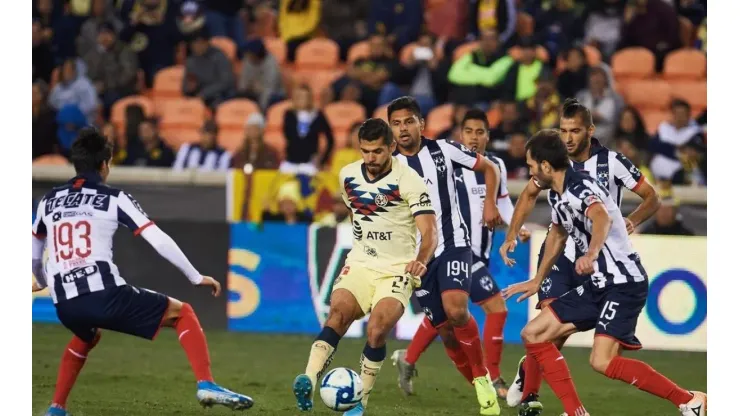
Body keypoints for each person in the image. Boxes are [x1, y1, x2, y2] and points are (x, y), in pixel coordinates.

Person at [33, 128, 253, 416]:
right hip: (103, 294)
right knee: (183, 312)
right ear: (104, 165)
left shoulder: (48, 201)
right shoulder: (114, 198)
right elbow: (158, 239)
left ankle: (56, 409)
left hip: (64, 304)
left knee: (87, 336)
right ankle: (207, 383)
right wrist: (195, 276)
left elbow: (35, 253)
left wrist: (41, 280)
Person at [500, 129, 706, 416]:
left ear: (546, 166)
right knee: (534, 333)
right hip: (600, 283)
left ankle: (689, 400)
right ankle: (576, 412)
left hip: (623, 282)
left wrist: (592, 252)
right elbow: (558, 234)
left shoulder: (579, 187)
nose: (531, 172)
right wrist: (538, 279)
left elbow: (601, 216)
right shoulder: (559, 195)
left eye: (532, 166)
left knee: (603, 361)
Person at [292, 118, 438, 416]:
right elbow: (354, 211)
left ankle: (360, 405)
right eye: (365, 151)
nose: (371, 158)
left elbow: (430, 232)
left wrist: (420, 260)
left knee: (377, 329)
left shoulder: (408, 180)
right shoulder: (347, 175)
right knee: (338, 314)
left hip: (397, 269)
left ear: (392, 148)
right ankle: (307, 378)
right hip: (360, 263)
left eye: (378, 152)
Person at [391, 109, 531, 401]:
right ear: (461, 134)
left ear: (488, 136)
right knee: (485, 309)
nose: (474, 138)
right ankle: (491, 378)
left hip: (473, 250)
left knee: (451, 314)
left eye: (480, 132)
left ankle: (413, 357)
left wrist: (516, 228)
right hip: (454, 249)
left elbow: (502, 204)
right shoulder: (449, 162)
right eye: (469, 132)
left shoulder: (497, 166)